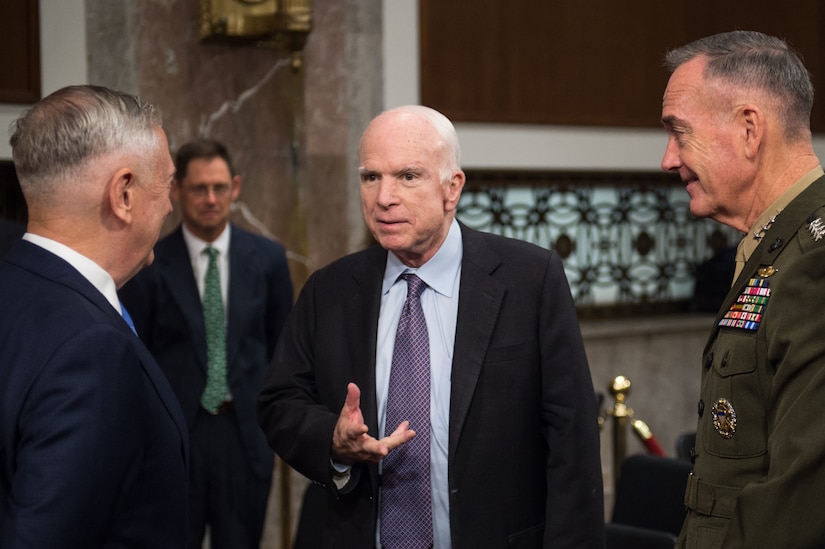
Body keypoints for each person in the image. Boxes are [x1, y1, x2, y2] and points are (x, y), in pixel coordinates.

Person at [258, 105, 604, 548]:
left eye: (407, 176)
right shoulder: (331, 290)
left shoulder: (530, 279)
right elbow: (279, 401)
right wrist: (333, 440)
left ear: (451, 188)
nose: (384, 197)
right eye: (370, 177)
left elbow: (572, 440)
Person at [0, 85, 187, 547]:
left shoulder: (14, 288)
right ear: (123, 193)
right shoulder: (91, 349)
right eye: (165, 184)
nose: (169, 204)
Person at [661, 30, 825, 548]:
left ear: (750, 129)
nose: (668, 159)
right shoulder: (775, 245)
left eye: (680, 132)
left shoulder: (814, 260)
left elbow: (797, 496)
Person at [119, 139, 293, 549]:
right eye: (199, 188)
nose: (210, 199)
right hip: (177, 439)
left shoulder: (267, 259)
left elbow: (282, 347)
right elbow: (137, 355)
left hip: (246, 435)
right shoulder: (149, 262)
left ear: (235, 187)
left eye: (219, 187)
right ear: (176, 191)